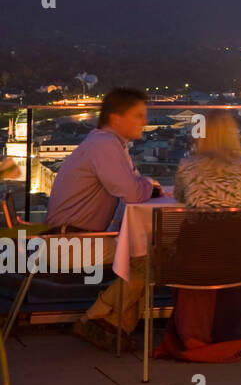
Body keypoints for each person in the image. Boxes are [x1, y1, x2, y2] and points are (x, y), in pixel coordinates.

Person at [154, 110, 241, 362]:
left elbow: (181, 198)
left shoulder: (188, 166)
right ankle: (233, 327)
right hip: (239, 262)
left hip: (195, 263)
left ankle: (192, 328)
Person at [46, 87, 160, 351]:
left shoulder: (105, 143)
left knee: (146, 253)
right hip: (69, 242)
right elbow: (133, 192)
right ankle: (96, 320)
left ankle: (111, 327)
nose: (144, 121)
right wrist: (146, 184)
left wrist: (142, 184)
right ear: (117, 118)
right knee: (150, 257)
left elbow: (133, 187)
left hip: (73, 236)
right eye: (138, 115)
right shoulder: (104, 146)